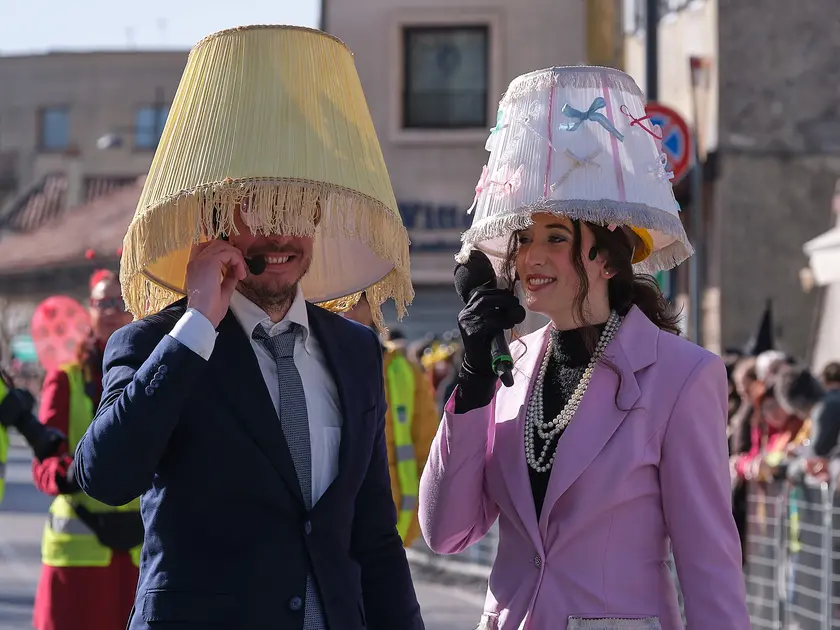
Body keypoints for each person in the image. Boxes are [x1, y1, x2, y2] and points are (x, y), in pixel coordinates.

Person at [73, 25, 422, 630]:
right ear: (216, 220)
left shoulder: (356, 349)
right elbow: (106, 476)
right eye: (260, 210)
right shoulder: (158, 343)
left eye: (299, 211)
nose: (281, 235)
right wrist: (197, 324)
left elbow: (372, 537)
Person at [419, 66, 749, 629]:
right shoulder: (509, 367)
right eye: (523, 240)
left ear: (604, 258)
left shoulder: (682, 376)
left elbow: (709, 566)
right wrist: (471, 383)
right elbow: (447, 532)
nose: (531, 258)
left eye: (555, 238)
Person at [32, 269, 138, 630]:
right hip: (78, 555)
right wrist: (67, 474)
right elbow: (44, 459)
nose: (110, 309)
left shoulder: (155, 366)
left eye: (118, 301)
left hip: (140, 551)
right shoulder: (66, 376)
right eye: (101, 302)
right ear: (87, 310)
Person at [345, 293, 438, 547]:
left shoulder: (403, 370)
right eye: (340, 300)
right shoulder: (312, 361)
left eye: (356, 301)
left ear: (373, 307)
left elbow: (427, 447)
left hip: (392, 522)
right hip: (333, 527)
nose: (347, 310)